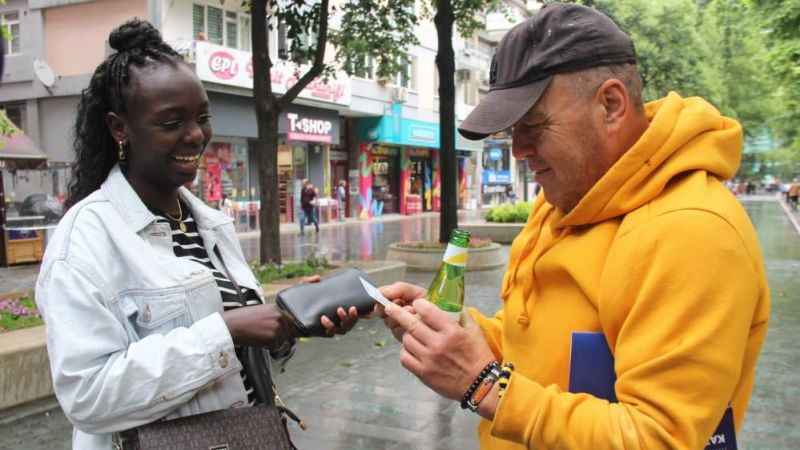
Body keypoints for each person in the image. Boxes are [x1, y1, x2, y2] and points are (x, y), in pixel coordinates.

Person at [379, 4, 770, 450]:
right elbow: (535, 343)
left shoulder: (693, 232)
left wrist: (485, 385)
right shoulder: (566, 200)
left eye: (534, 126)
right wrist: (453, 334)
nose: (519, 151)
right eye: (511, 132)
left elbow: (658, 438)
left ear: (611, 104)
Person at [35, 20, 359, 450]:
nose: (196, 135)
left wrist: (286, 324)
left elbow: (237, 363)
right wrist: (227, 332)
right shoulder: (86, 239)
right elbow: (88, 396)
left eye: (202, 118)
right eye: (171, 122)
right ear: (119, 128)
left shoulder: (209, 223)